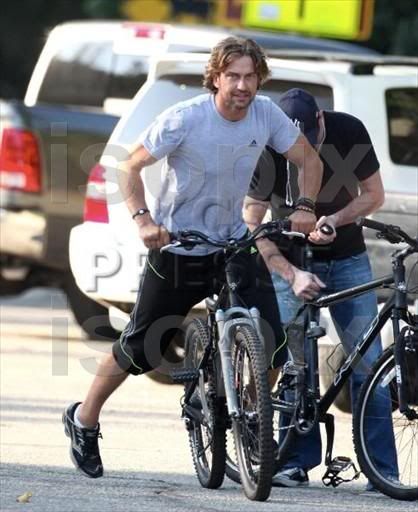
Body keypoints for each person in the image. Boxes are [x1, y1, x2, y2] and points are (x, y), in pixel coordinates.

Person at [62, 38, 323, 479]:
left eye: (250, 77)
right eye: (233, 76)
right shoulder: (185, 119)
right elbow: (128, 167)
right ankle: (83, 419)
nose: (242, 85)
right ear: (216, 77)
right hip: (180, 246)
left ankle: (247, 411)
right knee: (143, 348)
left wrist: (306, 206)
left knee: (274, 341)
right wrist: (144, 220)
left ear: (260, 79)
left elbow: (308, 159)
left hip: (233, 243)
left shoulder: (265, 114)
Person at [243, 88, 399, 490]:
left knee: (369, 364)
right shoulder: (268, 142)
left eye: (309, 142)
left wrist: (335, 219)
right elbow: (252, 215)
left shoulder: (349, 131)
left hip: (348, 258)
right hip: (290, 262)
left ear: (322, 122)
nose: (301, 150)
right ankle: (294, 461)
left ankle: (383, 471)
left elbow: (374, 196)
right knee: (300, 367)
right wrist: (281, 265)